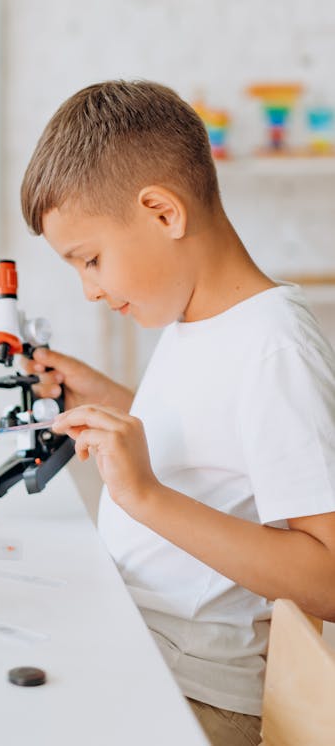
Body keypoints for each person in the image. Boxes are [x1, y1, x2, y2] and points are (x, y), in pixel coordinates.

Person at [19, 80, 335, 746]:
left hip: (199, 694)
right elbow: (222, 458)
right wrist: (108, 400)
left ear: (164, 213)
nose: (92, 291)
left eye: (92, 260)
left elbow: (328, 577)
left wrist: (146, 498)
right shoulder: (200, 318)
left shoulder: (273, 346)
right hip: (143, 643)